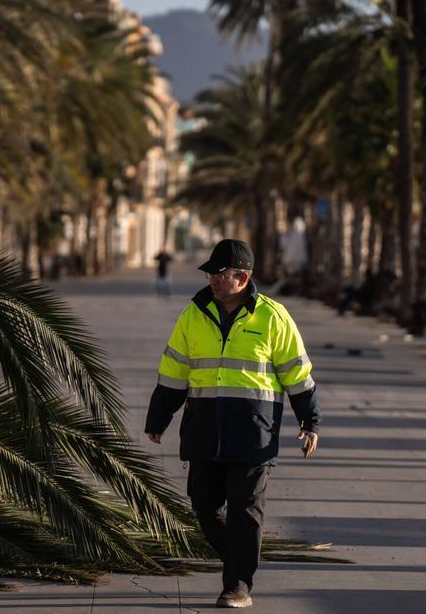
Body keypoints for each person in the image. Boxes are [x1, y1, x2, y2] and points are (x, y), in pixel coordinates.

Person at [144, 238, 322, 609]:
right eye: (210, 272)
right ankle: (240, 557)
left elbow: (297, 374)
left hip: (253, 432)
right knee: (203, 506)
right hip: (204, 429)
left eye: (220, 273)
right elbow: (174, 371)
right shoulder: (193, 314)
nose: (212, 279)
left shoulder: (273, 317)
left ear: (242, 277)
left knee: (245, 510)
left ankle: (238, 585)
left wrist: (310, 420)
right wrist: (159, 418)